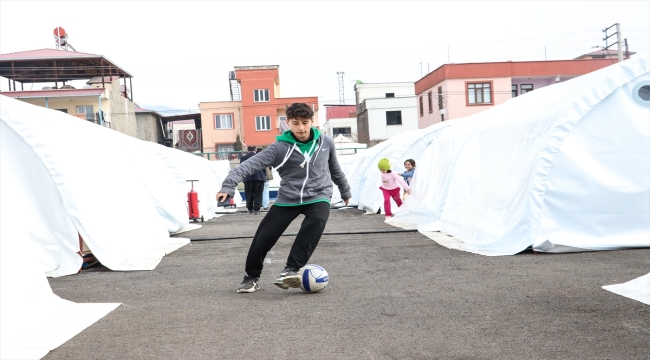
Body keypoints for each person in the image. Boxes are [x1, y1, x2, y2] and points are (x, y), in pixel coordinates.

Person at [216, 103, 351, 293]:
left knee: (318, 220)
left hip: (319, 194)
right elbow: (249, 166)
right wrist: (228, 185)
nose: (301, 128)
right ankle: (251, 277)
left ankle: (291, 269)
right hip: (289, 197)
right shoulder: (279, 148)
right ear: (287, 123)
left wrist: (345, 190)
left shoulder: (326, 143)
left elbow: (334, 169)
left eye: (305, 122)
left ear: (312, 121)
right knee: (264, 236)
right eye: (296, 123)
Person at [239, 146, 266, 215]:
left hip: (248, 178)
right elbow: (264, 167)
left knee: (249, 193)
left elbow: (241, 168)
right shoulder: (260, 156)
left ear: (247, 150)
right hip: (259, 177)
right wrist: (264, 175)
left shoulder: (243, 158)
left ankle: (250, 208)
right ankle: (257, 209)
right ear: (255, 150)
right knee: (258, 194)